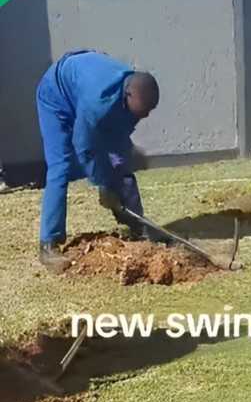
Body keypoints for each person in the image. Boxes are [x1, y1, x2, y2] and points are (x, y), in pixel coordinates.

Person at [36, 50, 160, 272]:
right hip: (55, 97)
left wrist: (119, 177)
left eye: (148, 112)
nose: (145, 117)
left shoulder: (130, 94)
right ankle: (48, 244)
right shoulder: (97, 101)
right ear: (128, 94)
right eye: (143, 112)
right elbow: (84, 146)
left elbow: (118, 147)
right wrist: (103, 185)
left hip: (82, 89)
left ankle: (136, 224)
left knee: (120, 161)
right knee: (60, 167)